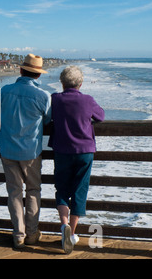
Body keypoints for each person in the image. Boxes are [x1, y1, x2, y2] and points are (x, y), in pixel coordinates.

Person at [48, 66, 105, 254]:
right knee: (80, 189)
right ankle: (71, 233)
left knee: (62, 188)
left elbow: (47, 119)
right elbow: (101, 117)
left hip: (62, 151)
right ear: (80, 84)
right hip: (84, 151)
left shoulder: (55, 99)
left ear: (62, 83)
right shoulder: (87, 100)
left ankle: (63, 225)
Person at [0, 54, 52, 248]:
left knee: (14, 192)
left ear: (21, 70)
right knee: (33, 190)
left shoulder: (5, 91)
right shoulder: (43, 96)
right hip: (30, 151)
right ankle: (31, 233)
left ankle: (18, 235)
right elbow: (47, 121)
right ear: (38, 75)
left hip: (7, 148)